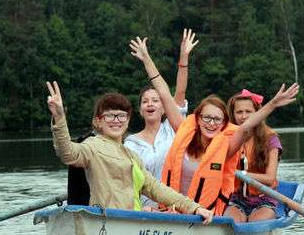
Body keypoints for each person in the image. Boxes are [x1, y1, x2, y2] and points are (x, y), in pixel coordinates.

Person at [129, 37, 299, 216]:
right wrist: (147, 59)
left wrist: (272, 104)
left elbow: (246, 126)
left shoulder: (226, 148)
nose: (211, 123)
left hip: (205, 215)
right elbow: (163, 92)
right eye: (207, 118)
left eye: (217, 120)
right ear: (198, 119)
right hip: (172, 211)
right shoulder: (183, 129)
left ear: (224, 123)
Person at [45, 81, 214, 224]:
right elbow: (67, 152)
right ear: (98, 122)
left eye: (121, 116)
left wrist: (194, 207)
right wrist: (60, 118)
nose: (116, 121)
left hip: (132, 222)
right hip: (107, 222)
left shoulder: (132, 155)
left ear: (127, 121)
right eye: (110, 116)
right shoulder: (92, 146)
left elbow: (156, 189)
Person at [125, 29, 198, 208]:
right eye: (145, 101)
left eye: (155, 100)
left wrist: (184, 56)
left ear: (164, 108)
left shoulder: (173, 128)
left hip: (176, 203)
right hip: (146, 206)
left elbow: (178, 92)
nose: (150, 104)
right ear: (140, 110)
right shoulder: (130, 143)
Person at [225, 90, 283, 222]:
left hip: (264, 199)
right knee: (230, 221)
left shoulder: (271, 139)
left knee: (256, 222)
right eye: (239, 112)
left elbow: (269, 179)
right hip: (236, 199)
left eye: (248, 111)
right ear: (233, 115)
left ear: (257, 113)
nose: (244, 116)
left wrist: (238, 173)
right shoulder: (228, 137)